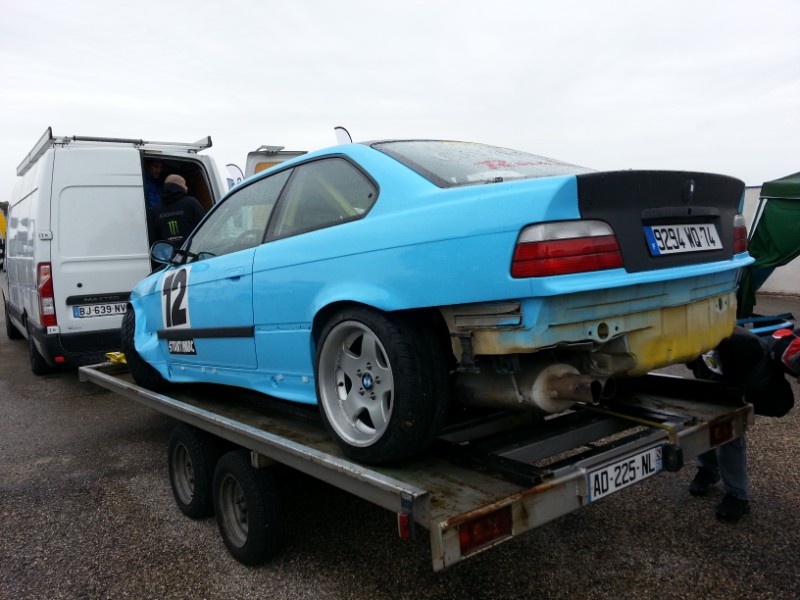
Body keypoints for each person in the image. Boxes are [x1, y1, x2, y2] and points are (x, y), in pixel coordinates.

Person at [686, 326, 795, 522]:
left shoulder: (741, 343)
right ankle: (707, 470)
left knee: (729, 431)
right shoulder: (684, 338)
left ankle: (737, 495)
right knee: (704, 418)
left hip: (746, 378)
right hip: (711, 371)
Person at [148, 174, 206, 247]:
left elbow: (153, 238)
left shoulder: (156, 209)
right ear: (178, 187)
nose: (187, 188)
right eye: (184, 185)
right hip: (192, 252)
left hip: (169, 255)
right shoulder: (191, 203)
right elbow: (206, 226)